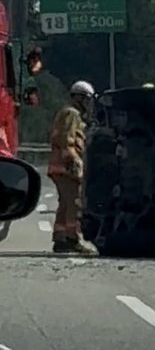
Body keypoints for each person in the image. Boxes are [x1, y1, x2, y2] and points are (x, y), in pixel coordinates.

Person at [47, 80, 98, 255]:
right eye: (87, 99)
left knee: (65, 203)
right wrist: (73, 161)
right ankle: (72, 239)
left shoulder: (67, 112)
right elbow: (66, 139)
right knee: (75, 203)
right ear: (79, 98)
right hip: (66, 167)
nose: (88, 103)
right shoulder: (72, 114)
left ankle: (60, 238)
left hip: (59, 166)